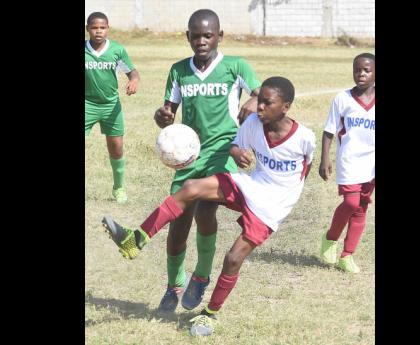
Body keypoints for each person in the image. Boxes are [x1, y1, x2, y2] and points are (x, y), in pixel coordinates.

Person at [102, 76, 316, 336]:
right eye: (259, 101)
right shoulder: (252, 123)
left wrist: (290, 191)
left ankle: (209, 315)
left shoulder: (304, 137)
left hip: (275, 203)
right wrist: (236, 152)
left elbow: (307, 166)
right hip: (253, 184)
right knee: (191, 187)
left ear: (286, 106)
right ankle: (135, 241)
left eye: (267, 103)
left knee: (233, 258)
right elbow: (237, 145)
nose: (259, 107)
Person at [119, 9, 260, 313]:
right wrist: (162, 116)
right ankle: (173, 286)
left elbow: (263, 95)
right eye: (195, 35)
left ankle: (201, 276)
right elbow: (167, 113)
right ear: (187, 37)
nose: (201, 41)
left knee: (206, 212)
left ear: (219, 36)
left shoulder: (236, 67)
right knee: (178, 225)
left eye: (207, 35)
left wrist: (254, 98)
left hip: (223, 153)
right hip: (189, 156)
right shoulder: (179, 70)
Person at [318, 53, 375, 273]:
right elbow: (329, 130)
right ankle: (331, 238)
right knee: (351, 203)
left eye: (367, 70)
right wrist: (325, 158)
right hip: (349, 160)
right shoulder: (343, 98)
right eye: (357, 70)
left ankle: (347, 255)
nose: (361, 74)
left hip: (371, 164)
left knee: (361, 208)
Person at [85, 11, 140, 203]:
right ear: (87, 29)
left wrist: (134, 81)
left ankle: (119, 188)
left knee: (116, 148)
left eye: (102, 27)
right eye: (94, 27)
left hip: (111, 105)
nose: (98, 31)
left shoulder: (116, 50)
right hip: (87, 104)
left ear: (107, 29)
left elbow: (133, 73)